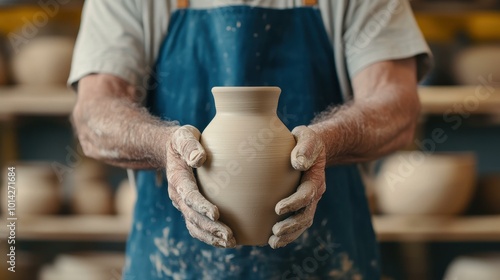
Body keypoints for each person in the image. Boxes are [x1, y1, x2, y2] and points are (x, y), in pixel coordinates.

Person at [69, 0, 431, 279]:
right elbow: (94, 113)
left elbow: (397, 106)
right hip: (172, 263)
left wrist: (327, 140)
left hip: (327, 258)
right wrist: (163, 144)